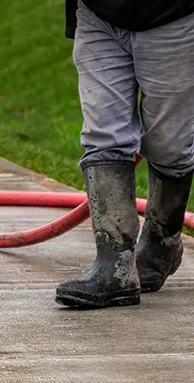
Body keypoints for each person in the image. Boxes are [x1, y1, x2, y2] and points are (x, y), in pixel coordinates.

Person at [56, 0, 194, 308]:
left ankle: (162, 241)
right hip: (97, 13)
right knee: (103, 135)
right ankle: (113, 266)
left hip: (172, 17)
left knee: (168, 145)